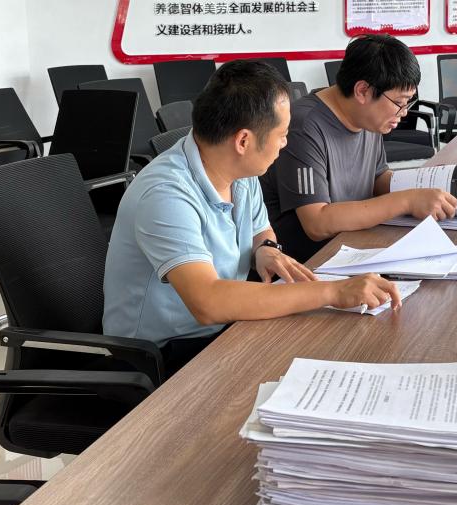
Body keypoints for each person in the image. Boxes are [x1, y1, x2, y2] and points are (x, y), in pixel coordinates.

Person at [102, 60, 400, 362]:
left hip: (224, 328)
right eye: (282, 134)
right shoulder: (165, 194)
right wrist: (334, 292)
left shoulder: (237, 169)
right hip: (162, 354)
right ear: (243, 140)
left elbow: (259, 229)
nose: (285, 143)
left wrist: (265, 249)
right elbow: (208, 302)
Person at [261, 34, 457, 263]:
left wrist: (432, 190)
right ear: (362, 91)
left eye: (408, 103)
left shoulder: (367, 118)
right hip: (309, 264)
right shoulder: (303, 126)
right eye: (399, 103)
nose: (404, 112)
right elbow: (317, 223)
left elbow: (377, 179)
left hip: (355, 246)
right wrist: (407, 201)